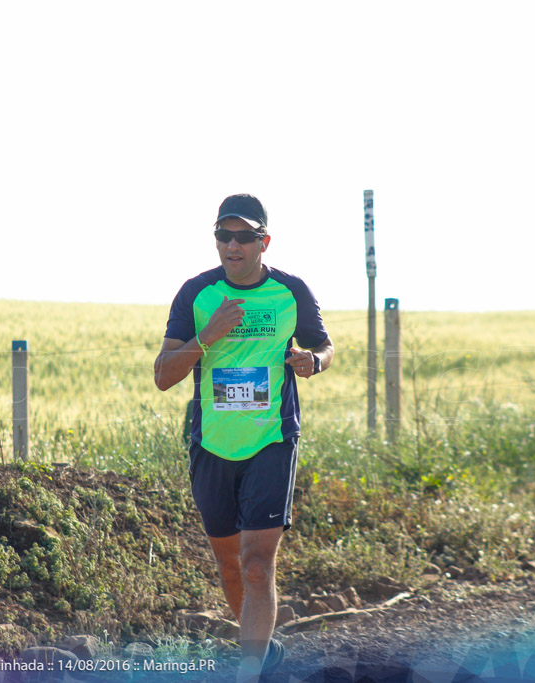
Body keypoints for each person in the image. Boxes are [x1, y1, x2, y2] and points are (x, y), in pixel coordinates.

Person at [154, 194, 334, 680]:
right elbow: (164, 375)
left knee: (257, 565)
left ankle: (249, 670)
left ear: (263, 242)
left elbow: (324, 345)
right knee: (230, 565)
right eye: (223, 235)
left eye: (244, 236)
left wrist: (312, 362)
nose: (232, 245)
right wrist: (206, 336)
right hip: (211, 443)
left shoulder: (290, 292)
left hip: (271, 440)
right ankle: (263, 650)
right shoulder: (197, 293)